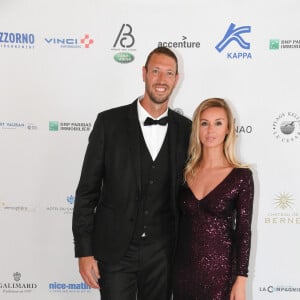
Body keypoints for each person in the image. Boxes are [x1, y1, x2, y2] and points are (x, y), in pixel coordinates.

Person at [72, 46, 191, 300]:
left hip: (163, 253)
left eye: (169, 73)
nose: (161, 80)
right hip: (115, 251)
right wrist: (84, 251)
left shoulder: (187, 130)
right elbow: (86, 192)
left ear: (176, 79)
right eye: (156, 71)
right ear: (144, 73)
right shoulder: (108, 123)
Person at [173, 98, 254, 300]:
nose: (210, 130)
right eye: (204, 123)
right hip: (182, 272)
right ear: (197, 129)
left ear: (228, 129)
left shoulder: (241, 176)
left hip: (221, 277)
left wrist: (241, 279)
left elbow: (243, 231)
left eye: (218, 123)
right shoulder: (183, 173)